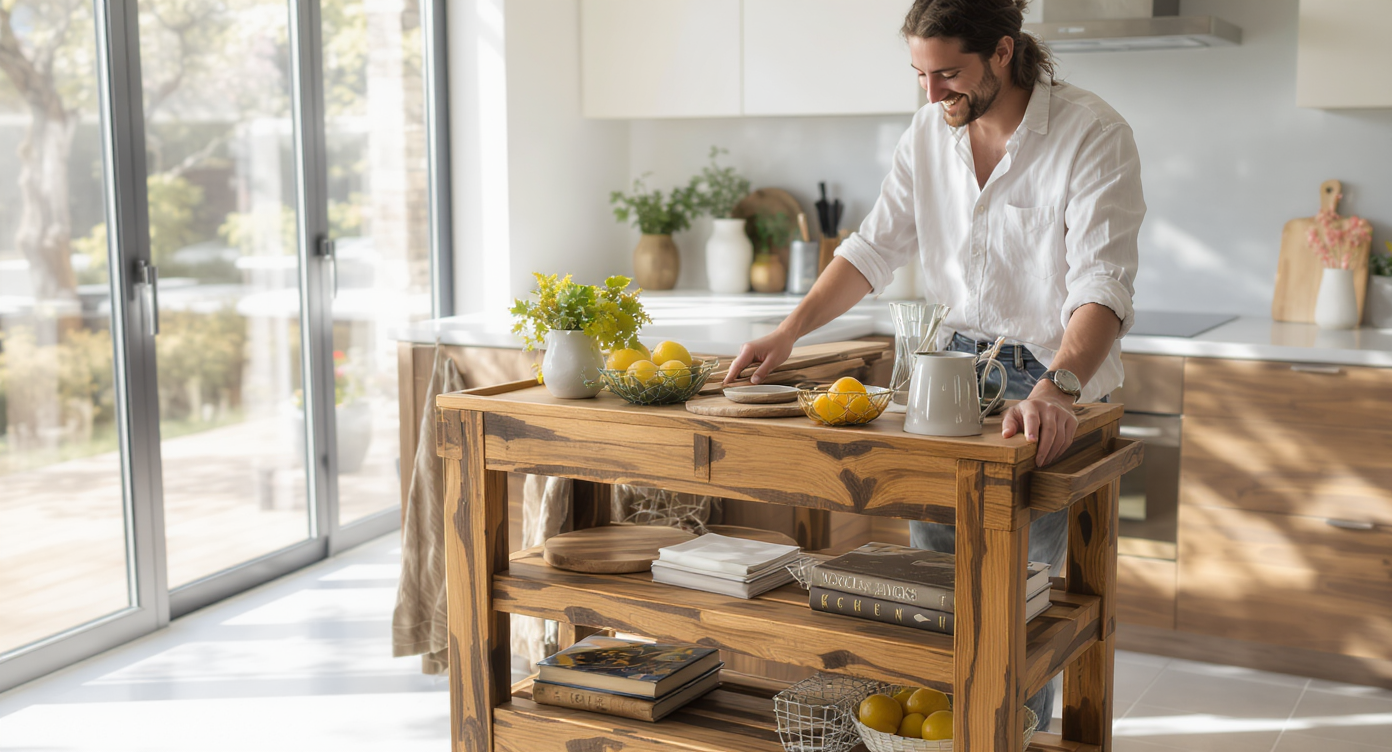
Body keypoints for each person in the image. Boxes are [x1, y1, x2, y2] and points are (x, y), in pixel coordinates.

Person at [722, 0, 1143, 730]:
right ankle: (934, 737)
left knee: (1022, 603)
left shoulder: (1091, 132)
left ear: (1004, 52)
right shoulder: (927, 132)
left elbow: (1102, 285)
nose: (930, 93)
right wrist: (789, 332)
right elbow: (873, 248)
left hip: (1045, 383)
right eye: (918, 74)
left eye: (946, 74)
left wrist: (1058, 388)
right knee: (934, 589)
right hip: (947, 376)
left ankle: (1010, 737)